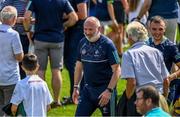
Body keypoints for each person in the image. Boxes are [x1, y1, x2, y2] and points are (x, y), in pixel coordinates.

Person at [24, 0, 78, 108]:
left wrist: (27, 29)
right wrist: (63, 25)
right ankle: (57, 100)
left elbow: (26, 17)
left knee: (40, 70)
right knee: (56, 71)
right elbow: (74, 18)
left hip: (40, 39)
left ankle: (43, 101)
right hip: (57, 39)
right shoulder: (63, 1)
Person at [72, 16, 121, 116]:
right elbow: (78, 66)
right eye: (85, 29)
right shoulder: (82, 43)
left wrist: (109, 91)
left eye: (90, 29)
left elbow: (117, 70)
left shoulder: (108, 44)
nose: (87, 32)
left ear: (99, 29)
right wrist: (75, 87)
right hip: (88, 91)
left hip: (105, 92)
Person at [120, 21, 169, 115]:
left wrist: (127, 100)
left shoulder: (128, 54)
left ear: (130, 37)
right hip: (159, 98)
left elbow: (131, 82)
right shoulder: (156, 52)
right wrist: (164, 98)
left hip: (143, 101)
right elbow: (166, 80)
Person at [146, 16, 180, 105]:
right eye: (154, 29)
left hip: (165, 89)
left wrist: (171, 77)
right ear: (149, 29)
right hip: (147, 87)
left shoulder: (171, 46)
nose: (157, 32)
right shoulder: (145, 44)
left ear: (165, 29)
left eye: (160, 29)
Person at [63, 0, 88, 105]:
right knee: (70, 63)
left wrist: (66, 16)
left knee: (74, 63)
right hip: (70, 30)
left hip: (77, 30)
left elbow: (83, 14)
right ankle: (75, 94)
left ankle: (78, 95)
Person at [0, 6, 24, 116]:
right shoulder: (13, 34)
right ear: (14, 19)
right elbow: (19, 57)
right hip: (10, 78)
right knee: (10, 110)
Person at [2, 0, 34, 79]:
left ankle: (22, 84)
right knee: (13, 60)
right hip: (11, 35)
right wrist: (18, 20)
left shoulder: (33, 2)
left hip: (30, 37)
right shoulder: (11, 1)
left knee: (26, 64)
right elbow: (2, 15)